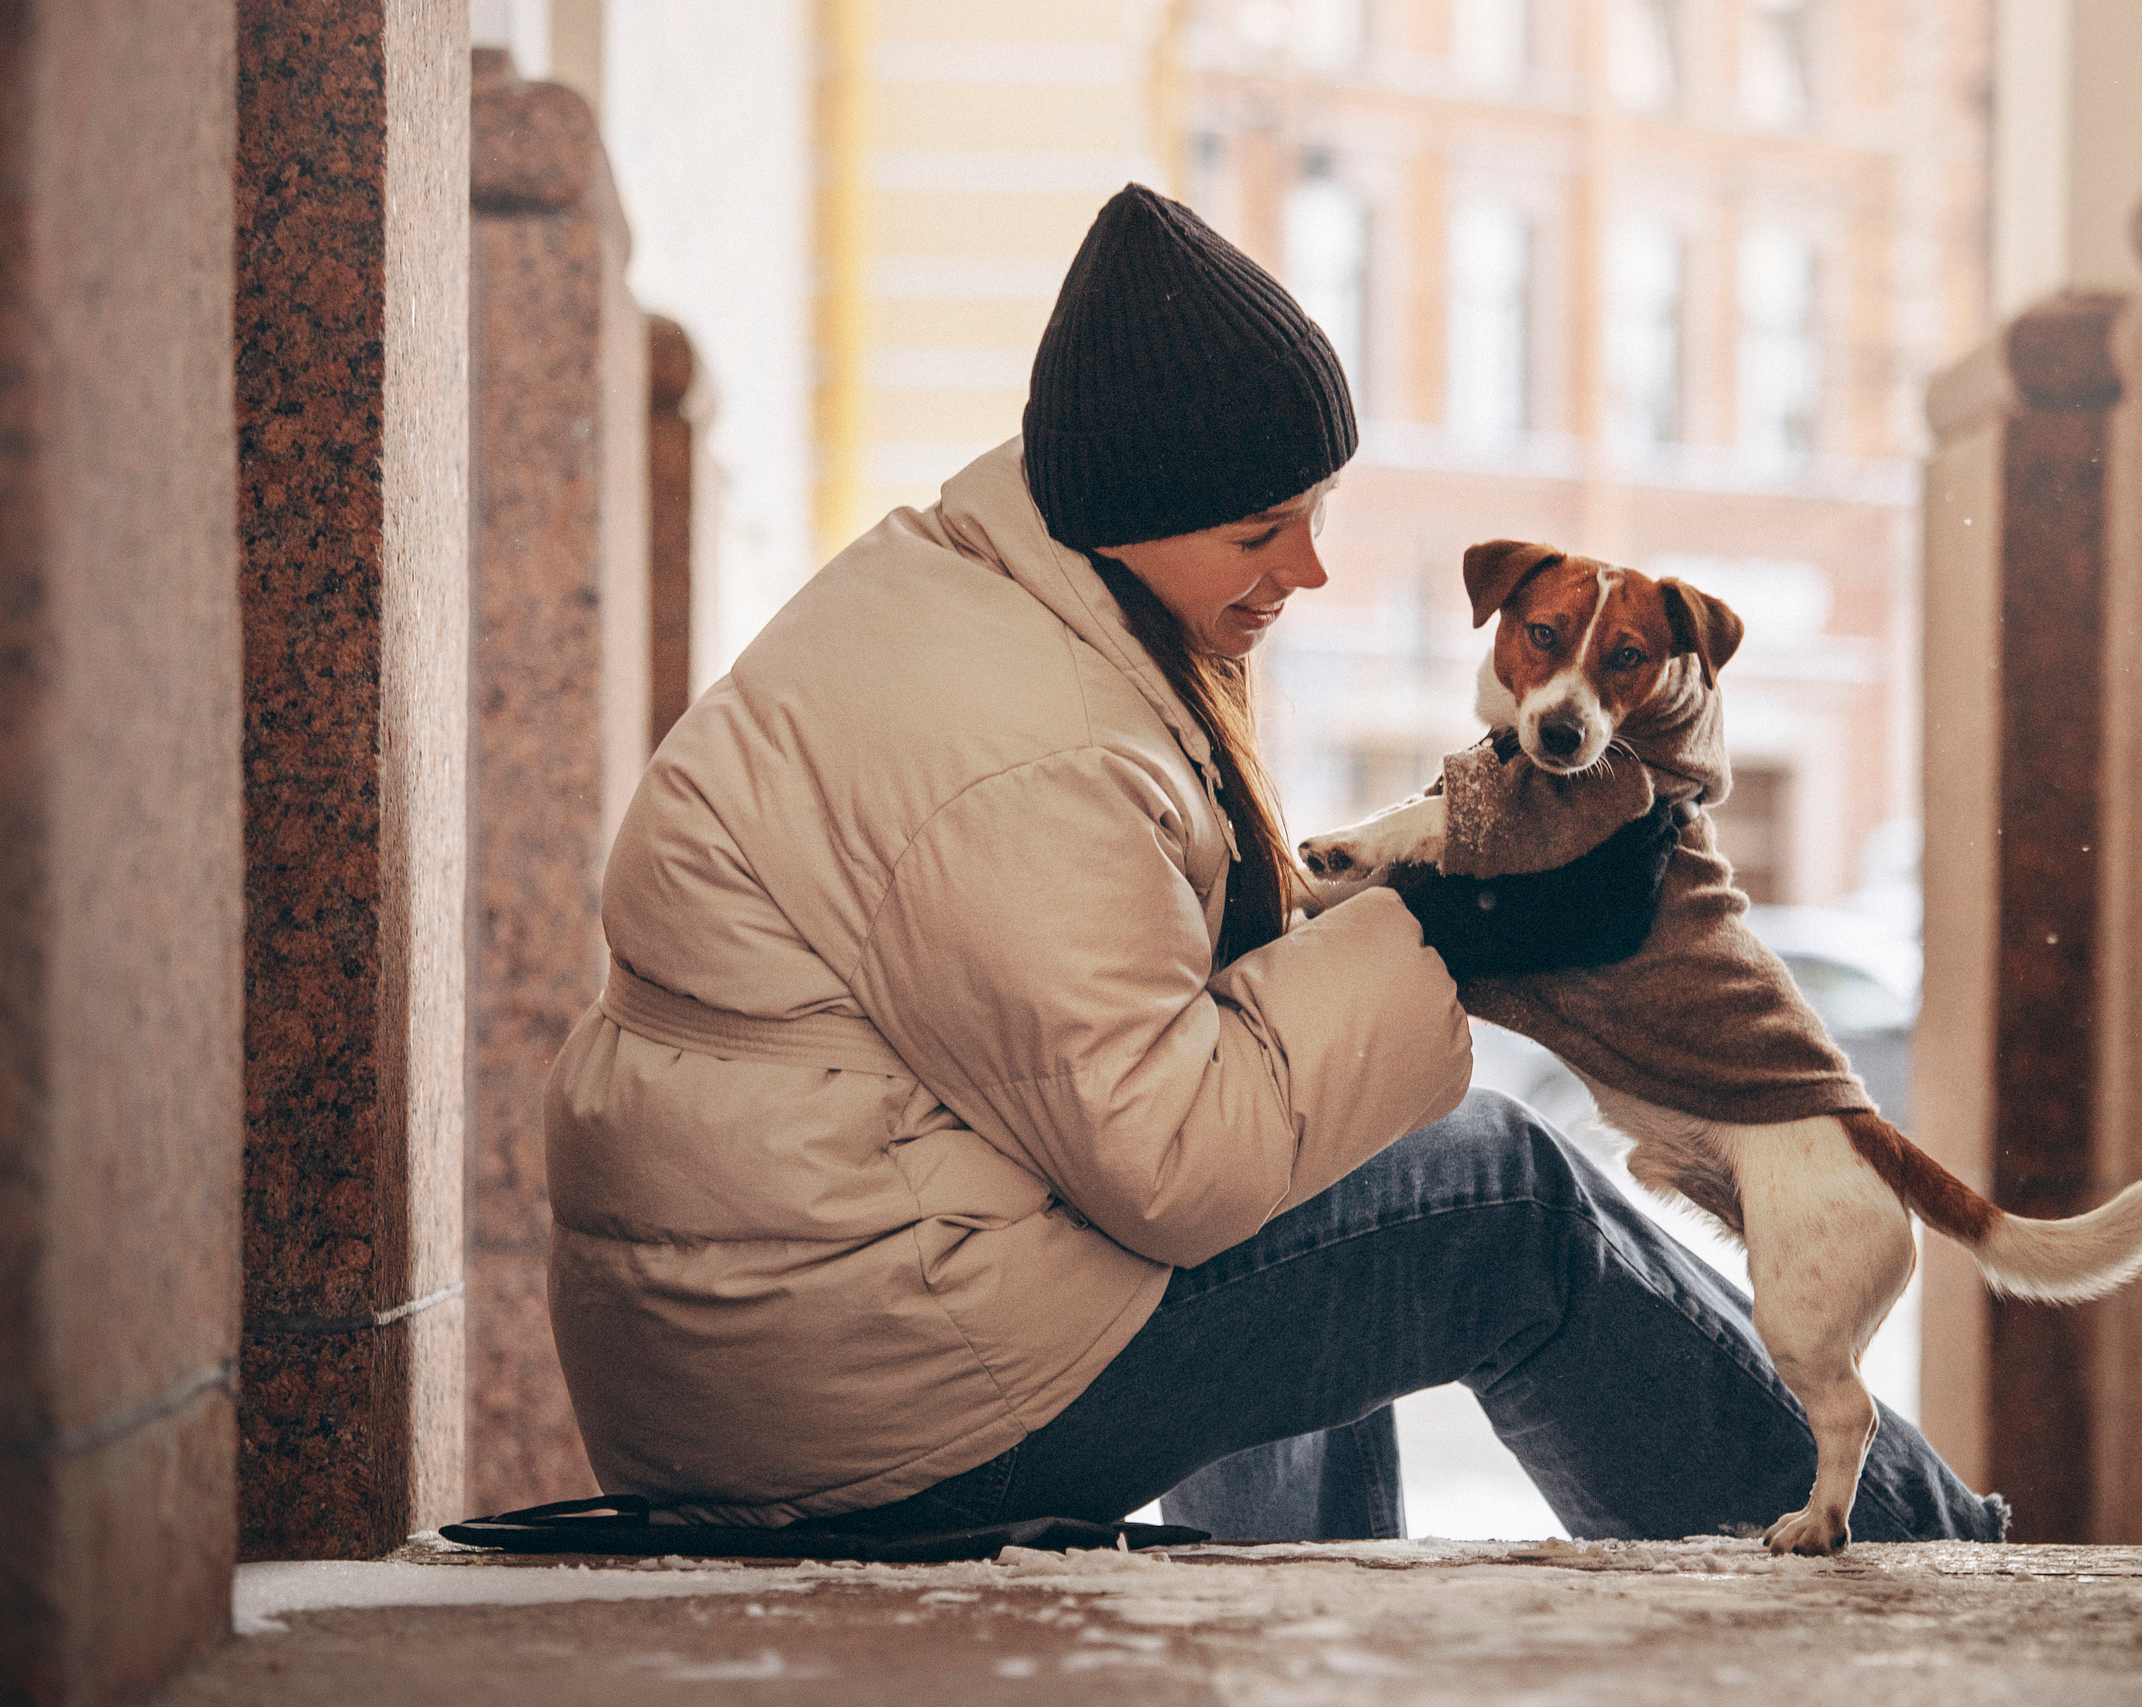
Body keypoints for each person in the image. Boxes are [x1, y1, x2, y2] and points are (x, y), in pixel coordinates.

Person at [543, 184, 2005, 1547]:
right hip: (854, 1399)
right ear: (1136, 506)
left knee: (1354, 1153)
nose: (1306, 570)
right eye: (1263, 530)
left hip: (800, 1315)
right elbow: (1180, 1168)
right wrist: (1456, 923)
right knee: (1499, 1202)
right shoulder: (1025, 744)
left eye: (1317, 513)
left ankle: (1300, 1627)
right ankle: (1929, 1571)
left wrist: (1414, 925)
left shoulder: (1011, 599)